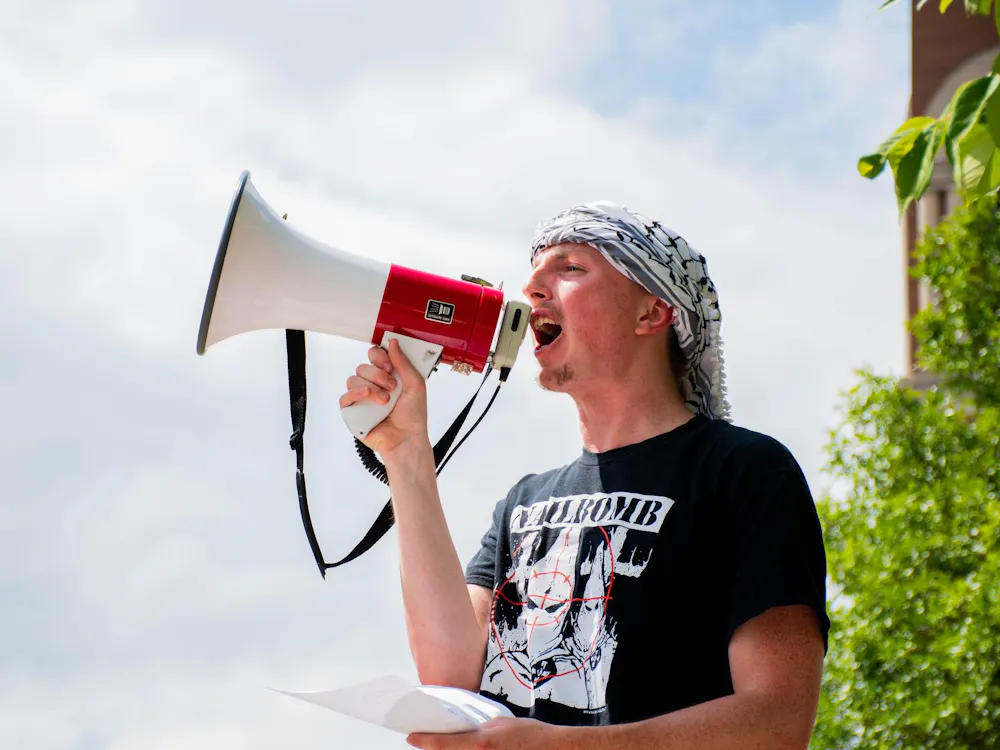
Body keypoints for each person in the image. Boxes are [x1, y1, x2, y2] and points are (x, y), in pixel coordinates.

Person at [339, 202, 830, 749]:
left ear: (652, 312)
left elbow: (776, 722)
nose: (533, 287)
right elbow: (452, 677)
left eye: (570, 267)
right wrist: (407, 453)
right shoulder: (522, 503)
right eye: (535, 271)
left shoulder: (744, 471)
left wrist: (553, 747)